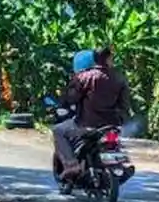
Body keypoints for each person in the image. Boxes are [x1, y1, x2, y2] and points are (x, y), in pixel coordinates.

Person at [53, 46, 132, 180]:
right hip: (112, 126)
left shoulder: (84, 77)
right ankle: (119, 165)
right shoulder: (120, 78)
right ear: (109, 59)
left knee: (58, 130)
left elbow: (71, 98)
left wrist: (64, 104)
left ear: (94, 59)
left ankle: (71, 165)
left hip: (86, 125)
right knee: (114, 140)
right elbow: (125, 105)